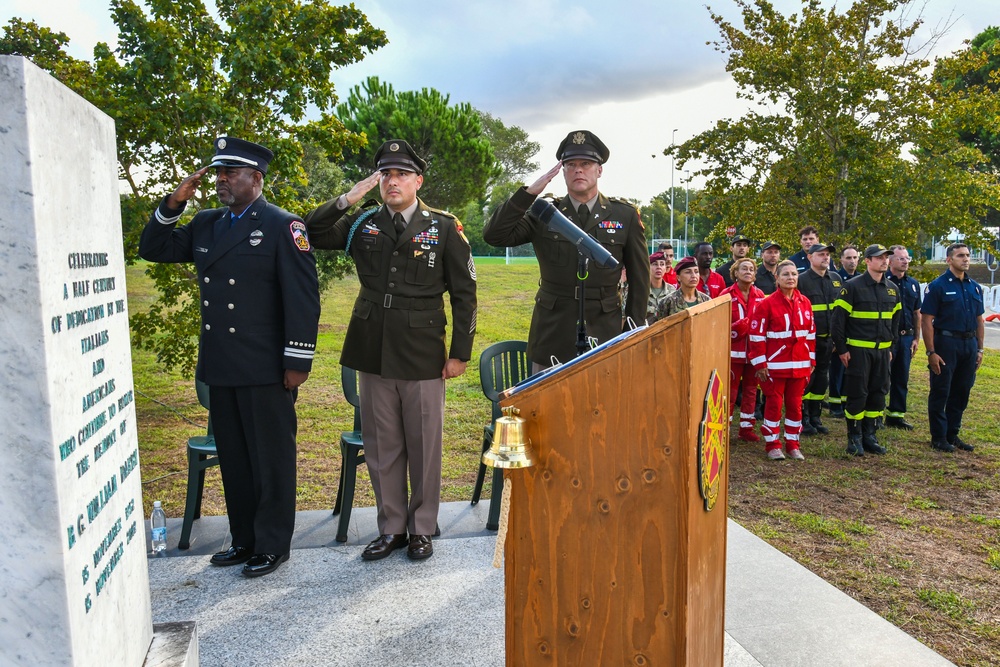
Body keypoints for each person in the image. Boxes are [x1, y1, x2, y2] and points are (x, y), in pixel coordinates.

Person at [139, 137, 320, 577]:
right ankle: (243, 540)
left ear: (255, 179)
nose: (220, 180)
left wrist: (296, 363)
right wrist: (174, 203)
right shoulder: (205, 223)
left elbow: (303, 299)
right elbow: (153, 248)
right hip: (222, 362)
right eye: (218, 173)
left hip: (265, 366)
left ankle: (272, 545)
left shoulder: (282, 225)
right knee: (236, 458)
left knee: (270, 459)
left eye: (230, 173)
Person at [304, 140, 478, 561]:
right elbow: (311, 230)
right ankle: (392, 528)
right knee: (382, 446)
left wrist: (459, 353)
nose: (392, 181)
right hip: (373, 347)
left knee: (424, 444)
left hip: (422, 349)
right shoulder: (362, 222)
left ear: (418, 181)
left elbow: (465, 295)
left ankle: (421, 528)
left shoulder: (443, 226)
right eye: (386, 174)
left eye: (401, 174)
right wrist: (349, 197)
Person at [484, 130, 648, 371]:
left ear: (599, 170)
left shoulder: (624, 215)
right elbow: (494, 235)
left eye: (586, 164)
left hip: (604, 330)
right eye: (570, 165)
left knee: (601, 404)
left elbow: (640, 278)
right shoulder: (545, 213)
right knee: (547, 406)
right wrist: (528, 195)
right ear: (562, 171)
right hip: (553, 330)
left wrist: (631, 331)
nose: (578, 170)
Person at [831, 244, 901, 457]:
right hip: (858, 352)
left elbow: (896, 322)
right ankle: (854, 438)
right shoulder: (852, 287)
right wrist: (842, 349)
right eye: (879, 258)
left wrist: (892, 348)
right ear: (868, 261)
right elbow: (838, 321)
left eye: (886, 257)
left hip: (882, 353)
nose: (884, 261)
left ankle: (870, 435)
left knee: (878, 394)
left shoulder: (892, 289)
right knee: (857, 394)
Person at [921, 243, 985, 453]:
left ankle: (952, 433)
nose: (965, 259)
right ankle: (938, 437)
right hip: (946, 344)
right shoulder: (938, 286)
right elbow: (926, 320)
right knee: (941, 391)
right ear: (949, 260)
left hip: (969, 344)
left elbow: (980, 320)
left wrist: (980, 349)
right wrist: (931, 352)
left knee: (962, 390)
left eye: (967, 255)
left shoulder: (974, 287)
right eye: (960, 256)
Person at [748, 260, 816, 460]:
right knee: (774, 404)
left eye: (794, 274)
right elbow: (756, 336)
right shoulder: (766, 304)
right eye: (785, 274)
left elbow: (811, 334)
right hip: (775, 367)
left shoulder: (805, 303)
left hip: (800, 365)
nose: (791, 278)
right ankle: (773, 444)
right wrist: (760, 364)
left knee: (795, 406)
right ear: (776, 278)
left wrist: (811, 361)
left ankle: (793, 444)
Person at [796, 242, 842, 436]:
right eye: (821, 254)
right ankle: (802, 417)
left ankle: (816, 415)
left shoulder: (836, 279)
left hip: (828, 341)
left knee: (822, 379)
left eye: (827, 255)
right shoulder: (802, 280)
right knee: (807, 379)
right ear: (810, 257)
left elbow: (840, 312)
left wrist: (838, 339)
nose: (825, 258)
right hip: (808, 341)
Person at [721, 258, 766, 441]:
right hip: (732, 352)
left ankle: (746, 429)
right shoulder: (726, 294)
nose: (748, 271)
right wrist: (736, 327)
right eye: (744, 269)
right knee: (730, 392)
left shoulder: (760, 295)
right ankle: (724, 428)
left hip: (753, 354)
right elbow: (718, 322)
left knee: (751, 391)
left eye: (751, 269)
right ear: (735, 273)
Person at [885, 245, 922, 430]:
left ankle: (896, 415)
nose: (905, 261)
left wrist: (916, 337)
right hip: (887, 338)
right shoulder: (882, 282)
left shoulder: (913, 284)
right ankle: (874, 415)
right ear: (890, 261)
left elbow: (917, 313)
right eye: (901, 258)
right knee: (882, 377)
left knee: (901, 377)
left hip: (906, 338)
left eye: (907, 258)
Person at [828, 244, 861, 418]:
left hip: (855, 333)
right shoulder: (835, 278)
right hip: (839, 332)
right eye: (848, 258)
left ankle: (846, 401)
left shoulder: (862, 280)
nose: (852, 261)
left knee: (851, 370)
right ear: (841, 260)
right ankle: (834, 404)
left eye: (855, 258)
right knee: (837, 370)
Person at [647, 251, 677, 322]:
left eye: (662, 264)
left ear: (665, 268)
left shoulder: (672, 291)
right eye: (655, 264)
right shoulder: (642, 290)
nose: (659, 267)